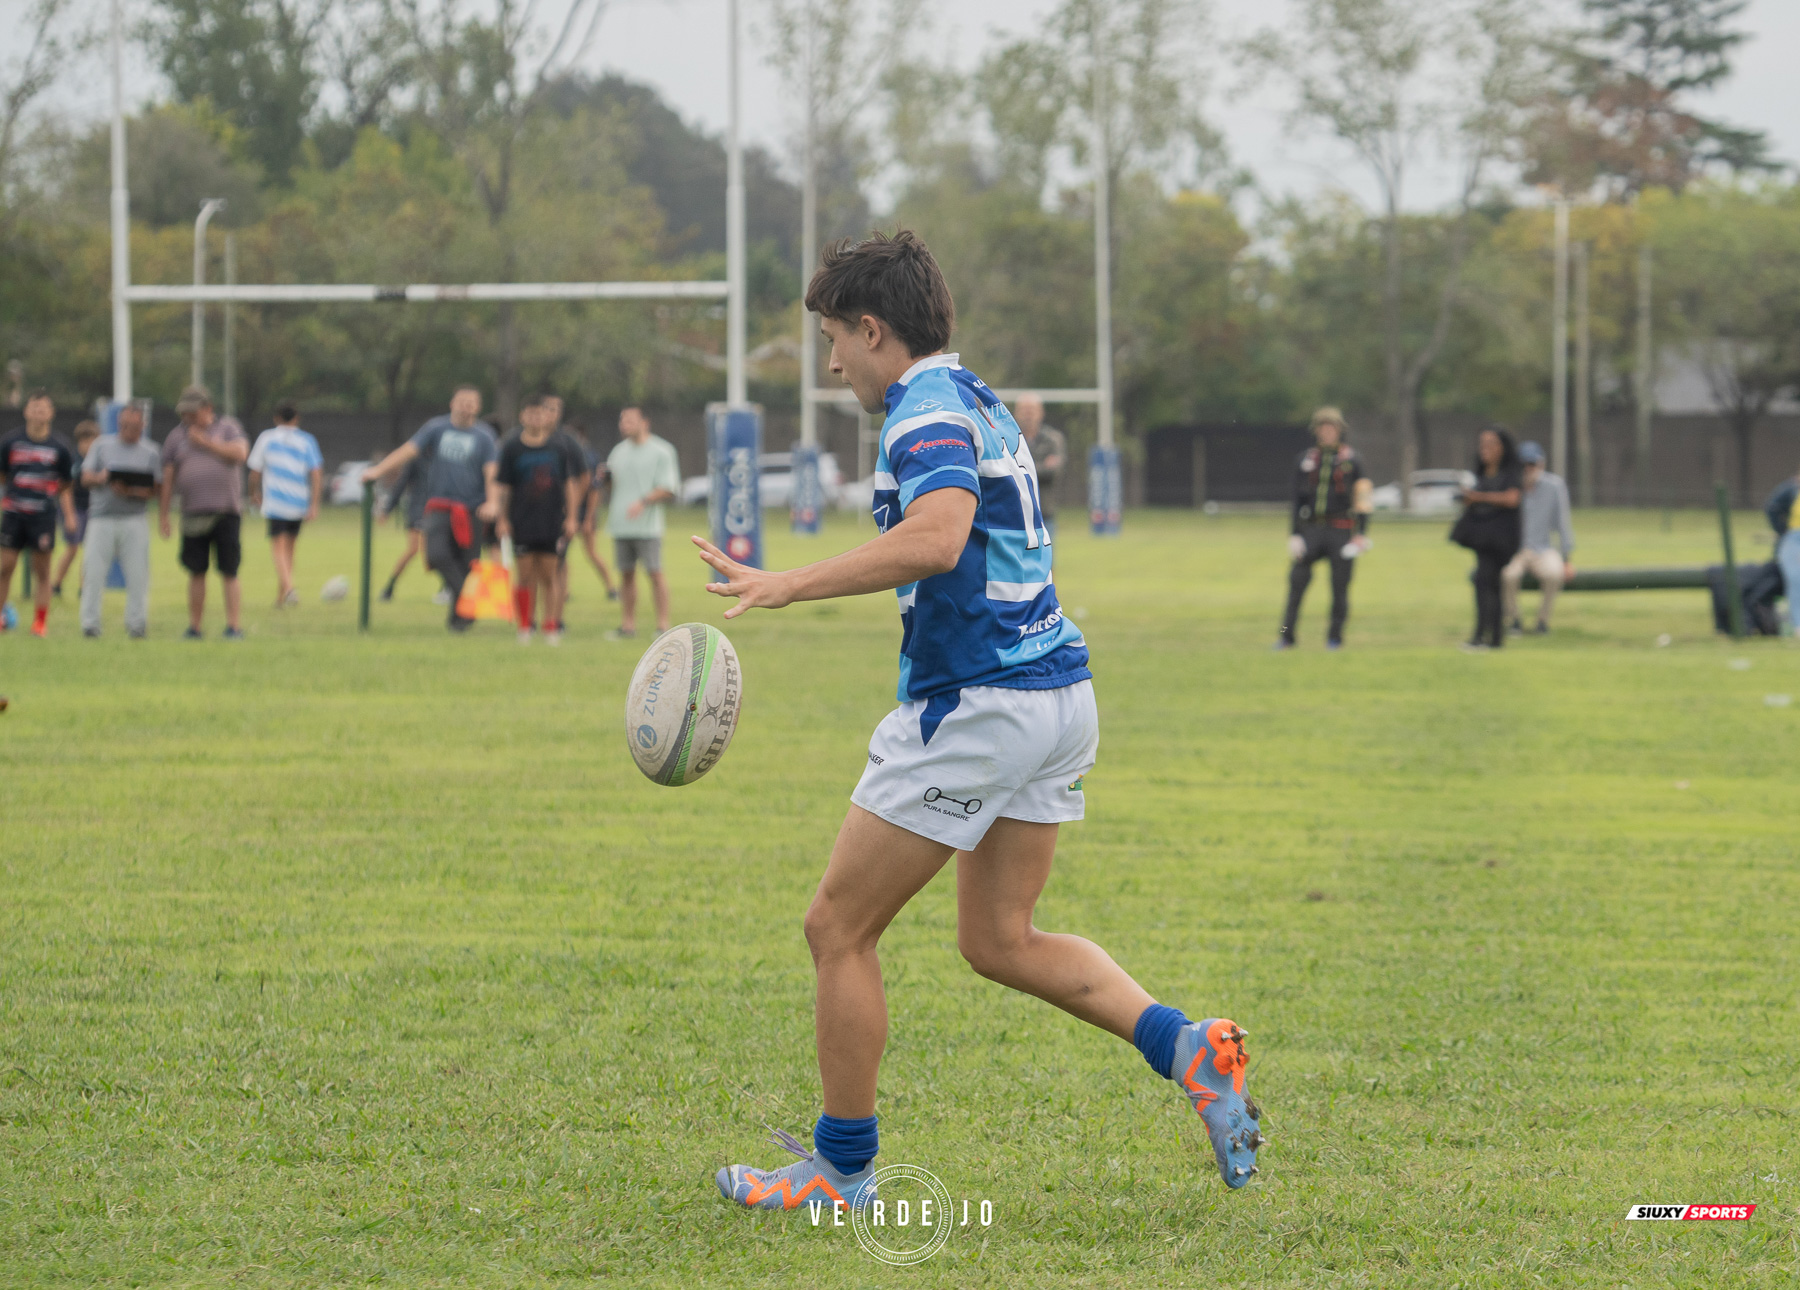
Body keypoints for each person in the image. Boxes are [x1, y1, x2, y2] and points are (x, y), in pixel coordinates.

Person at [703, 230, 1262, 1213]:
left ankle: (841, 1170)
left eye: (833, 341)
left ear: (872, 330)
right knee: (1000, 938)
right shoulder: (976, 397)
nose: (831, 365)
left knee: (837, 927)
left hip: (980, 701)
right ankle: (1189, 1049)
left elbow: (938, 536)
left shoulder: (921, 409)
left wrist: (789, 582)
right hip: (1057, 693)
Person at [361, 386, 499, 631]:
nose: (466, 407)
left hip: (472, 510)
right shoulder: (436, 428)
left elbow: (491, 471)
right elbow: (409, 450)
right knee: (435, 554)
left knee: (468, 564)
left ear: (478, 407)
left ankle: (459, 623)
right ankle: (468, 600)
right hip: (439, 506)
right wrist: (378, 470)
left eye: (471, 403)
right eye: (462, 401)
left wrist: (493, 501)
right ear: (452, 403)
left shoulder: (485, 436)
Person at [1275, 407, 1372, 650]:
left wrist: (1361, 534)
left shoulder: (1353, 460)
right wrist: (1295, 534)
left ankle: (1334, 639)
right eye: (1323, 428)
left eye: (1332, 428)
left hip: (1341, 530)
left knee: (1340, 588)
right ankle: (1286, 636)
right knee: (1296, 585)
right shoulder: (1305, 460)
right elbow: (1296, 500)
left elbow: (1363, 498)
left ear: (1340, 430)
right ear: (1316, 431)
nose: (1327, 432)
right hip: (1311, 530)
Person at [495, 393, 585, 645]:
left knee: (550, 575)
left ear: (547, 416)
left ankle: (551, 626)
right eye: (531, 414)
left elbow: (569, 484)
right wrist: (502, 519)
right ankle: (525, 625)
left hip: (551, 521)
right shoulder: (512, 447)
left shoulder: (559, 447)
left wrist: (572, 517)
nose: (536, 418)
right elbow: (504, 487)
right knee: (524, 575)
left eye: (540, 413)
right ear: (522, 416)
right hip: (522, 521)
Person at [160, 385, 249, 639]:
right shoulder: (176, 437)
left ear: (207, 409)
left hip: (226, 511)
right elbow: (168, 477)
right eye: (184, 412)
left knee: (229, 570)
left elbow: (240, 453)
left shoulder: (228, 428)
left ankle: (233, 627)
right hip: (192, 513)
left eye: (192, 411)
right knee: (196, 571)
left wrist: (206, 443)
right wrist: (164, 515)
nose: (186, 417)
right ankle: (195, 627)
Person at [79, 403, 163, 639]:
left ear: (142, 425)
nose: (129, 430)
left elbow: (156, 488)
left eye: (134, 426)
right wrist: (102, 478)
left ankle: (137, 624)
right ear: (118, 423)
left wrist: (130, 491)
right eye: (125, 425)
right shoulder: (101, 445)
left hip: (134, 518)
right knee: (93, 573)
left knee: (138, 575)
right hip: (101, 518)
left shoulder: (151, 451)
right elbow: (85, 478)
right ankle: (90, 624)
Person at [0, 390, 80, 637]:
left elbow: (66, 484)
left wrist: (68, 515)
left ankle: (40, 623)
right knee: (5, 567)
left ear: (51, 413)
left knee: (42, 571)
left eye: (43, 409)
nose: (38, 414)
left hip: (42, 517)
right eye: (34, 408)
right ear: (26, 411)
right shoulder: (10, 442)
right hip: (14, 514)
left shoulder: (60, 447)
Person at [604, 406, 679, 639]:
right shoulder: (618, 451)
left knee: (655, 573)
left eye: (630, 420)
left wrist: (643, 501)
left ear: (645, 422)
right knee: (626, 574)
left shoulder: (662, 450)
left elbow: (669, 488)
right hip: (621, 524)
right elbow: (612, 485)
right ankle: (628, 626)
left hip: (648, 526)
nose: (624, 424)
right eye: (622, 420)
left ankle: (663, 625)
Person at [1451, 425, 1523, 651]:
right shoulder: (1482, 473)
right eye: (1482, 444)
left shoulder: (1511, 472)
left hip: (1501, 540)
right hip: (1482, 538)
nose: (1485, 449)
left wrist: (1479, 497)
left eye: (1491, 444)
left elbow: (1512, 499)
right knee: (1485, 584)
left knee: (1486, 583)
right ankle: (1491, 638)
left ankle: (1484, 637)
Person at [247, 402, 323, 608]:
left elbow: (255, 471)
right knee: (289, 550)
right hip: (299, 502)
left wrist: (253, 493)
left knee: (278, 550)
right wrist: (314, 504)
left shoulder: (266, 438)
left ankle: (289, 589)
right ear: (296, 418)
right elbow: (316, 474)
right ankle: (281, 598)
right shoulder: (307, 440)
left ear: (276, 418)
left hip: (276, 502)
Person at [1501, 441, 1576, 636]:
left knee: (1554, 574)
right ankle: (1514, 620)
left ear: (1541, 464)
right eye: (1523, 465)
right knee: (1508, 575)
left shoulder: (1554, 486)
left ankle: (1542, 621)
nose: (1528, 469)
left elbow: (1563, 524)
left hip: (1542, 548)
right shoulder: (1510, 487)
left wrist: (1567, 559)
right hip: (1515, 549)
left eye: (1532, 464)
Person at [51, 420, 101, 599]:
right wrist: (70, 516)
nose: (90, 445)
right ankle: (56, 584)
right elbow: (66, 491)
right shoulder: (73, 461)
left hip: (92, 510)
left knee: (90, 551)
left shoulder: (98, 461)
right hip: (74, 508)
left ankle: (84, 588)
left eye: (93, 441)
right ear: (80, 441)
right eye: (86, 441)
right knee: (72, 549)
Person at [1013, 393, 1066, 538]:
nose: (1028, 415)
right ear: (1016, 413)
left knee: (1046, 552)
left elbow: (1053, 472)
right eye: (1024, 410)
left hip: (1044, 513)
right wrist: (1041, 466)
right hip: (1015, 513)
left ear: (1041, 412)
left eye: (1032, 410)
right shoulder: (1008, 439)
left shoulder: (1053, 439)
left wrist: (1018, 469)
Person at [378, 452, 429, 602]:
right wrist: (388, 509)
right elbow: (401, 484)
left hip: (437, 511)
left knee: (434, 554)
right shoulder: (416, 460)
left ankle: (448, 590)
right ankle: (389, 588)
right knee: (415, 550)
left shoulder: (441, 458)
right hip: (418, 511)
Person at [1767, 466, 1800, 637]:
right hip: (1794, 537)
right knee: (1796, 577)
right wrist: (1782, 531)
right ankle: (1797, 624)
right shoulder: (1791, 488)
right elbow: (1772, 507)